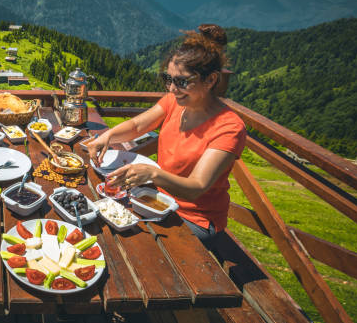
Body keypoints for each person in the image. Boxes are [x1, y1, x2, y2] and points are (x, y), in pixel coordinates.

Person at [87, 24, 246, 249]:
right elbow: (137, 126)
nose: (172, 88)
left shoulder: (229, 127)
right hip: (156, 199)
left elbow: (196, 187)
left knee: (129, 246)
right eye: (168, 79)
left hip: (194, 219)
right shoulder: (176, 101)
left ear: (210, 80)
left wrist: (154, 173)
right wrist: (108, 135)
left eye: (182, 81)